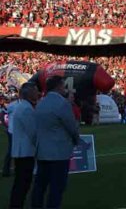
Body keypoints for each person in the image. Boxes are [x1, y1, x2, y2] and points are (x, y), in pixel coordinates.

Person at [31, 76, 80, 209]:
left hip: (42, 152)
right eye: (64, 86)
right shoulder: (62, 103)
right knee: (56, 188)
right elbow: (72, 127)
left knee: (39, 186)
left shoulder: (40, 103)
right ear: (58, 86)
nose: (65, 89)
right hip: (59, 153)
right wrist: (76, 140)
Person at [9, 83, 40, 209]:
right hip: (25, 152)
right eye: (35, 91)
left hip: (21, 151)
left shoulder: (22, 107)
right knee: (23, 184)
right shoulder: (26, 109)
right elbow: (33, 132)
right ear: (29, 93)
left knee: (21, 183)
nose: (37, 93)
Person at [3, 96, 19, 177]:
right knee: (14, 151)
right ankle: (13, 169)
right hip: (14, 131)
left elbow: (6, 114)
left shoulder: (12, 105)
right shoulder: (18, 105)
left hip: (11, 130)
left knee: (12, 150)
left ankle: (7, 170)